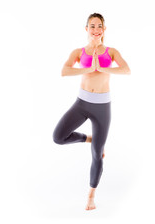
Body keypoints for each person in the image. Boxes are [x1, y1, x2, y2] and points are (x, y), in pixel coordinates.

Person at [52, 13, 131, 211]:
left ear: (104, 30)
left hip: (102, 107)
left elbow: (126, 70)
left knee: (97, 153)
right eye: (92, 26)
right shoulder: (78, 52)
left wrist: (104, 69)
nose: (96, 30)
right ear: (86, 29)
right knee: (58, 137)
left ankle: (91, 196)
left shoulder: (111, 52)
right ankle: (88, 137)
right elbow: (64, 70)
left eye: (99, 26)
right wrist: (87, 69)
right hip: (82, 103)